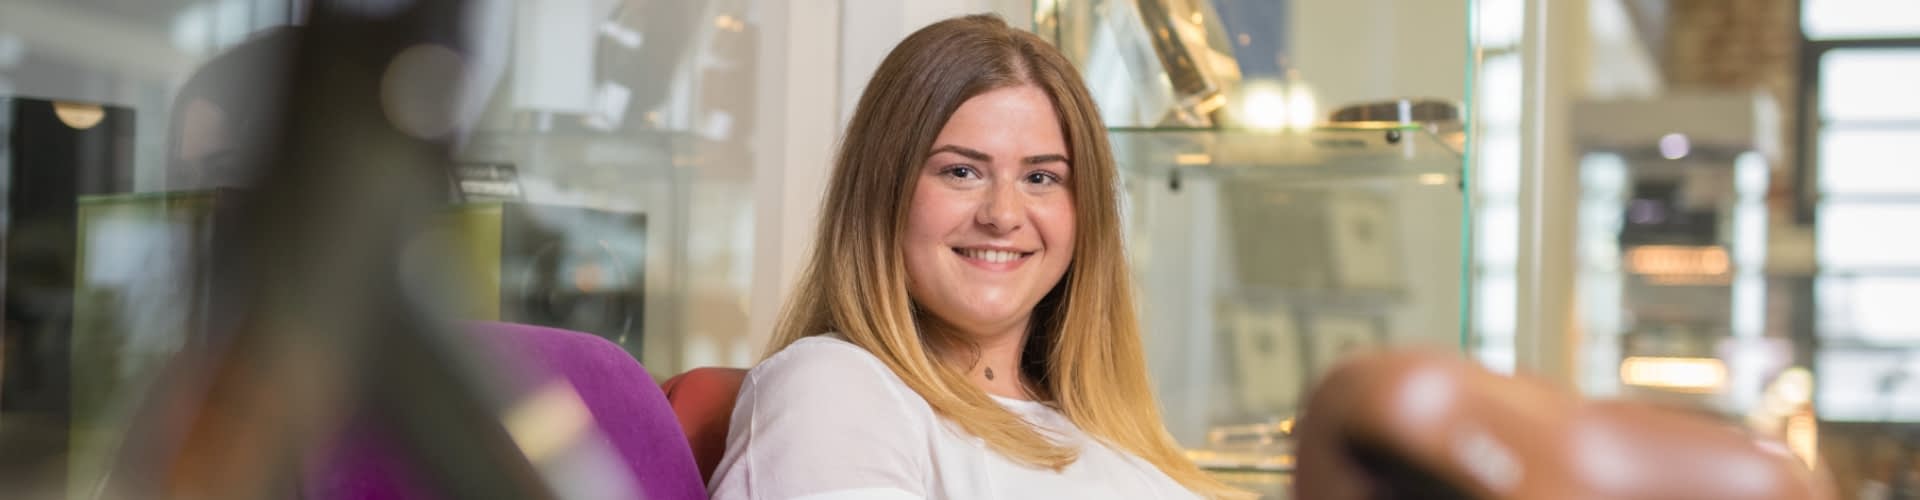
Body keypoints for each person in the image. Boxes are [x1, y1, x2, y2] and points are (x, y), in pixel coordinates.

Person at [708, 14, 1241, 500]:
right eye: (961, 172)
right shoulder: (834, 386)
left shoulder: (1117, 434)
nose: (1003, 215)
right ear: (882, 194)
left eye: (1041, 177)